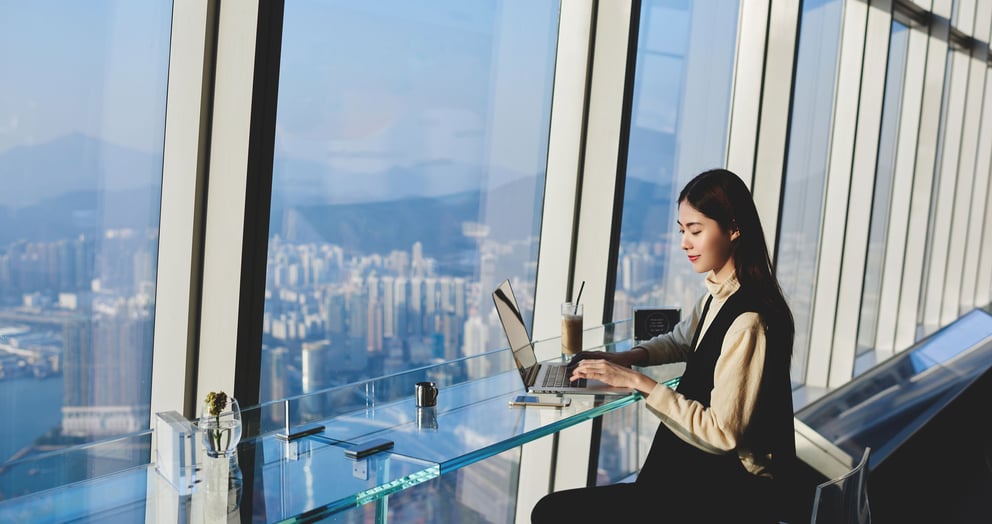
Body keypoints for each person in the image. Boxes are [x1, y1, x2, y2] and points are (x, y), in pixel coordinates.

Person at [531, 169, 797, 523]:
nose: (684, 243)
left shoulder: (748, 319)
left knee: (551, 512)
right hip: (697, 476)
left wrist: (637, 382)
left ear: (733, 229)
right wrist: (621, 358)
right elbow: (680, 341)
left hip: (730, 492)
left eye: (696, 231)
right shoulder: (718, 295)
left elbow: (722, 433)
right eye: (682, 230)